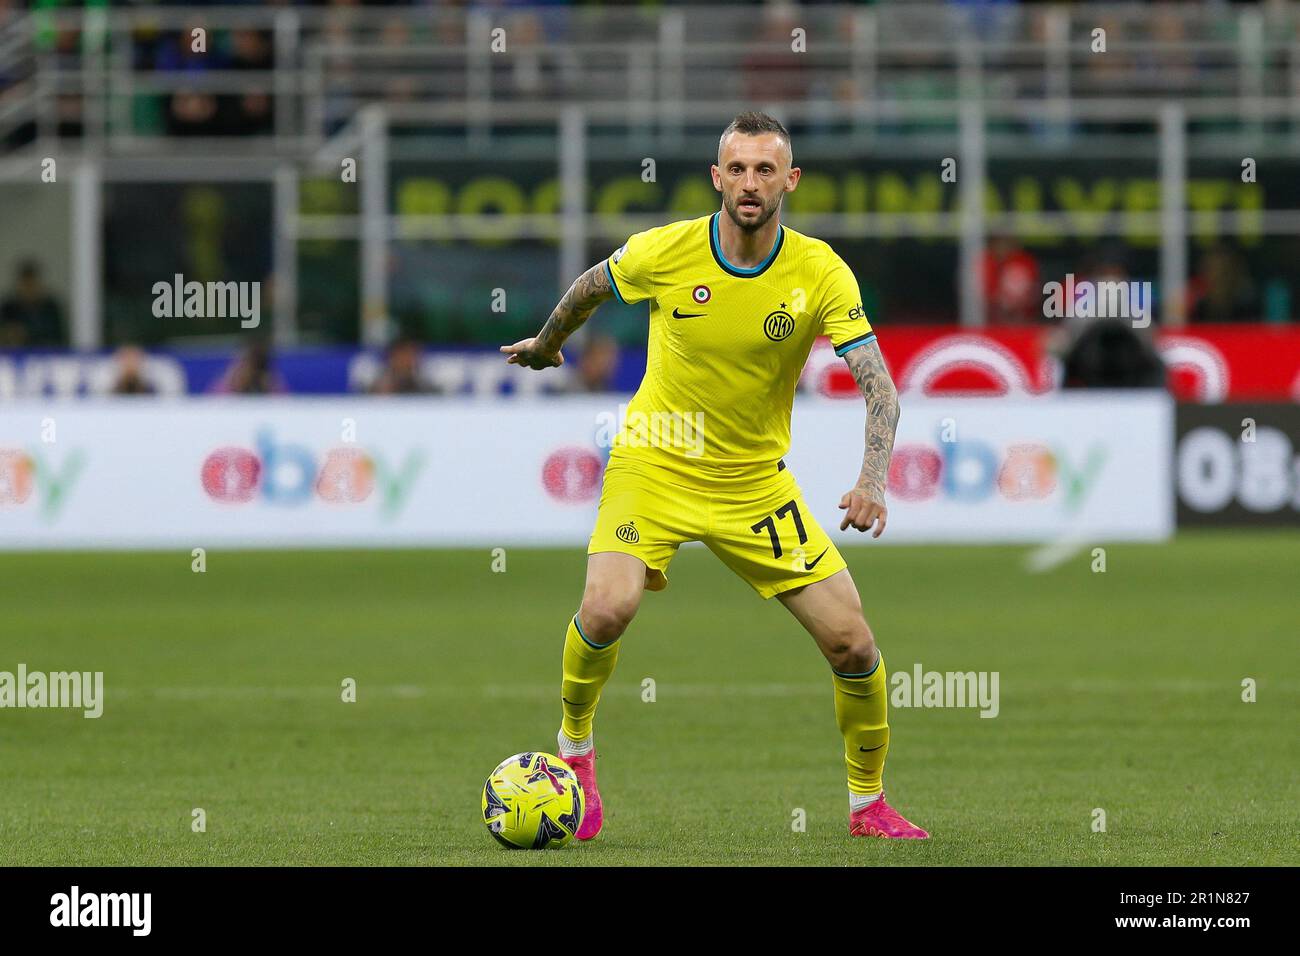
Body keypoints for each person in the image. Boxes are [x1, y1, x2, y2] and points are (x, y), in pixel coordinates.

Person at [501, 111, 927, 841]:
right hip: (655, 460)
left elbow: (879, 385)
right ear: (717, 178)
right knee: (607, 608)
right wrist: (547, 343)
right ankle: (575, 747)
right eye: (738, 169)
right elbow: (592, 286)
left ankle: (868, 806)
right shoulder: (666, 250)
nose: (751, 183)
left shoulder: (820, 271)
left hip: (754, 483)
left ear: (790, 181)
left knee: (853, 644)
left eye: (766, 170)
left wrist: (872, 480)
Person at [0, 260, 65, 347]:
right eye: (25, 285)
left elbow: (58, 337)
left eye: (32, 284)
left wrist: (28, 334)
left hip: (46, 354)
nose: (29, 289)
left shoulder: (51, 307)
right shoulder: (8, 307)